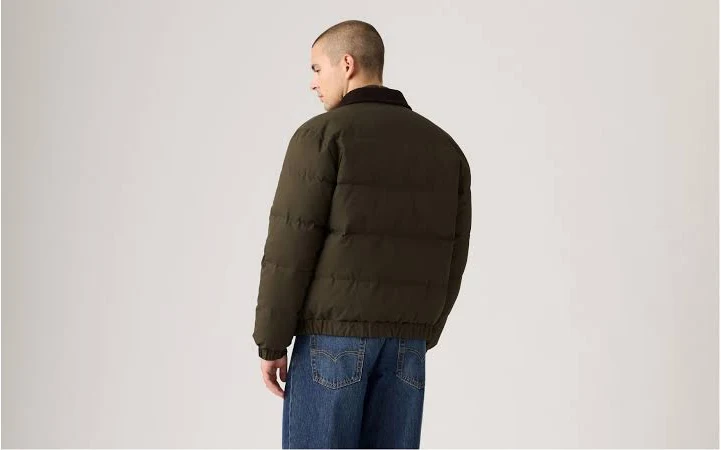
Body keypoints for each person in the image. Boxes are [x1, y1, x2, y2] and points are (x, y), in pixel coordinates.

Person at [252, 19, 472, 449]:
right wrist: (424, 332)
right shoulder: (444, 148)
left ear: (347, 64)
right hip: (406, 344)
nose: (313, 83)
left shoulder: (322, 136)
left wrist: (271, 342)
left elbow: (290, 247)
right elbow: (455, 252)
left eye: (317, 69)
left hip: (332, 340)